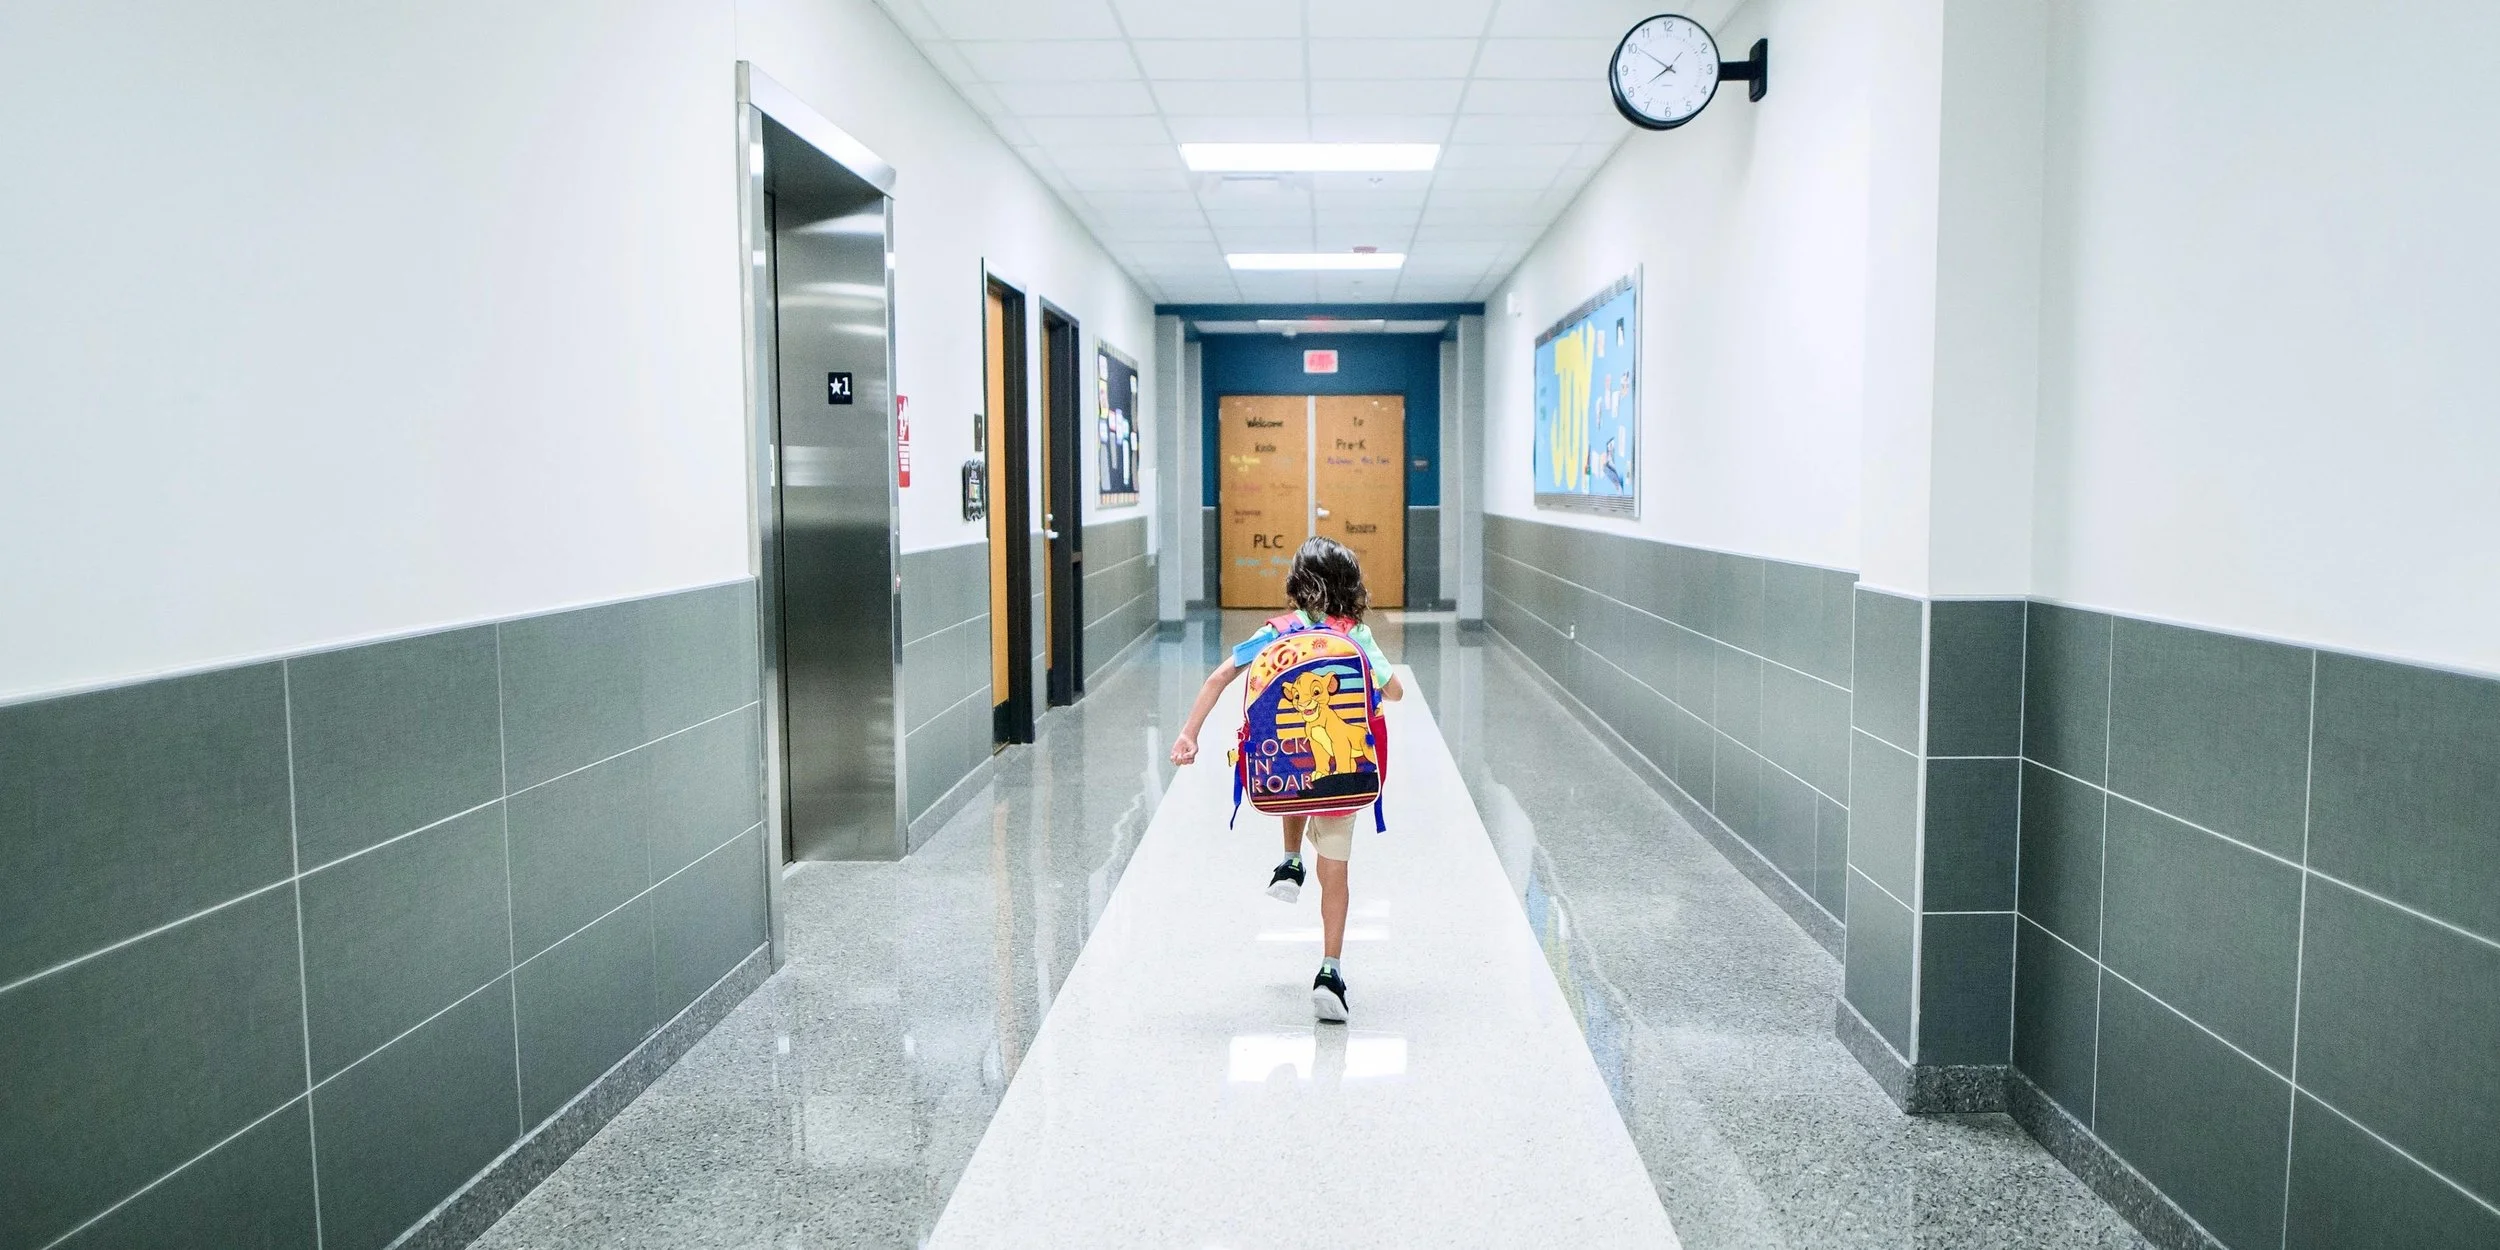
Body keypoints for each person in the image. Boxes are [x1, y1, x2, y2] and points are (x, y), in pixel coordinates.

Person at [1170, 537, 1404, 1022]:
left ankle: (1290, 860)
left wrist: (1188, 735)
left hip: (1285, 771)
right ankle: (1330, 971)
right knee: (1335, 871)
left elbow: (1218, 678)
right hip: (1345, 774)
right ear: (1351, 587)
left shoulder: (1276, 631)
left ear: (1297, 585)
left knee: (1292, 773)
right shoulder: (1356, 634)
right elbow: (1394, 692)